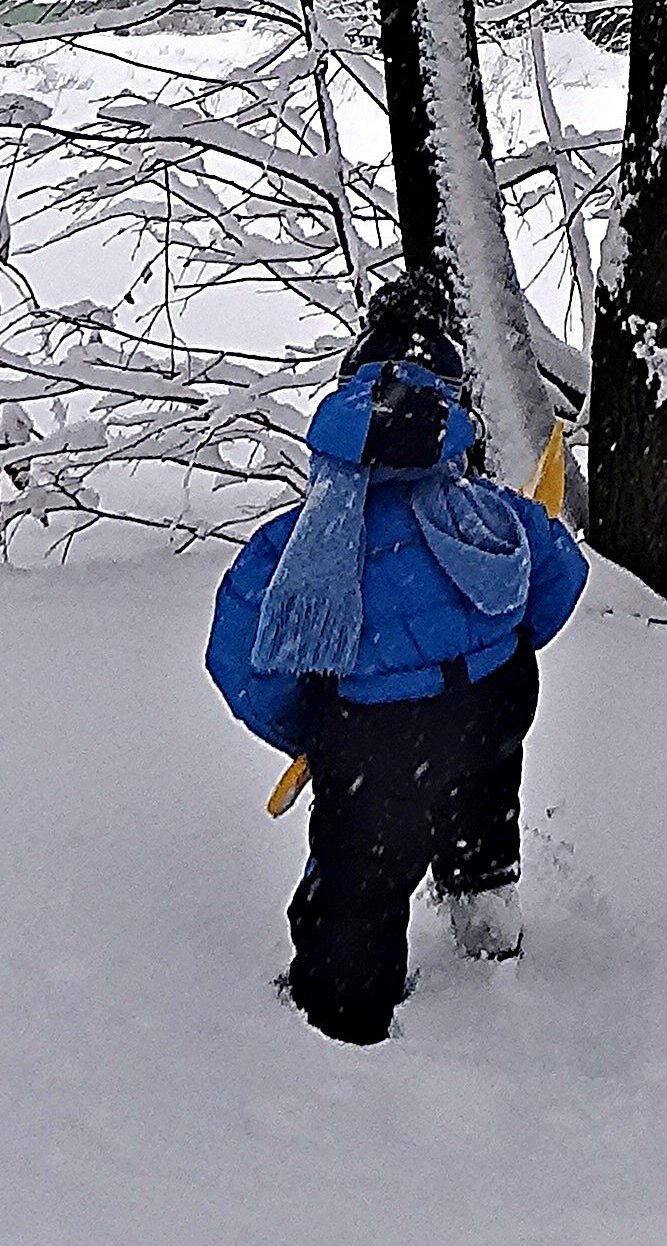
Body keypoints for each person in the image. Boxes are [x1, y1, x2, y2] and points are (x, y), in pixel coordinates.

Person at [207, 288, 584, 1042]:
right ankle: (487, 920)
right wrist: (501, 654)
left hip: (374, 733)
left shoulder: (299, 546)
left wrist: (310, 730)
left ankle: (346, 1014)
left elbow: (245, 661)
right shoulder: (488, 513)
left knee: (361, 872)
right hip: (492, 709)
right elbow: (559, 573)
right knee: (481, 804)